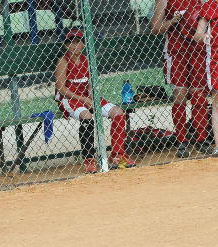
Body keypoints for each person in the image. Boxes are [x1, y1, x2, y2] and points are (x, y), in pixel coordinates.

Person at [55, 28, 135, 174]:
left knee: (118, 112)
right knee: (86, 116)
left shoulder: (87, 60)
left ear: (84, 44)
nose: (75, 45)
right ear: (66, 45)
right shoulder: (63, 61)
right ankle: (89, 159)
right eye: (71, 43)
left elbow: (91, 84)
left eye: (78, 42)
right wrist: (83, 99)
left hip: (87, 96)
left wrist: (92, 96)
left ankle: (117, 155)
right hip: (69, 98)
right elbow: (61, 88)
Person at [152, 0, 212, 158]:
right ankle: (182, 140)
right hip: (176, 51)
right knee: (180, 95)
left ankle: (202, 139)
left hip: (198, 49)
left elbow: (209, 16)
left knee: (199, 94)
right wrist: (173, 21)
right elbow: (156, 28)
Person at [194, 0, 218, 154]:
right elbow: (197, 35)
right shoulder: (210, 6)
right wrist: (203, 35)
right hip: (216, 61)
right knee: (217, 103)